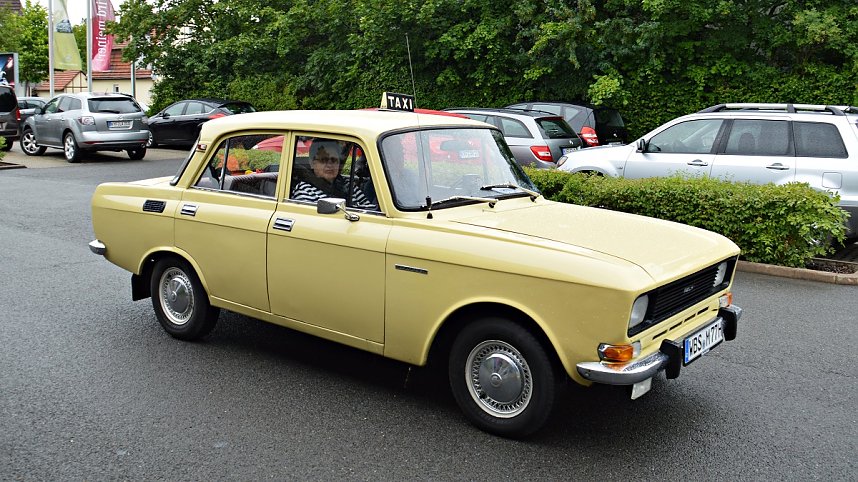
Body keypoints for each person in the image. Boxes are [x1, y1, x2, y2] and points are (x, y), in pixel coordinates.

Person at [290, 139, 377, 210]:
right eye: (323, 160)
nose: (329, 165)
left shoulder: (348, 185)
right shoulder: (304, 189)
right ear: (312, 163)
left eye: (334, 160)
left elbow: (371, 210)